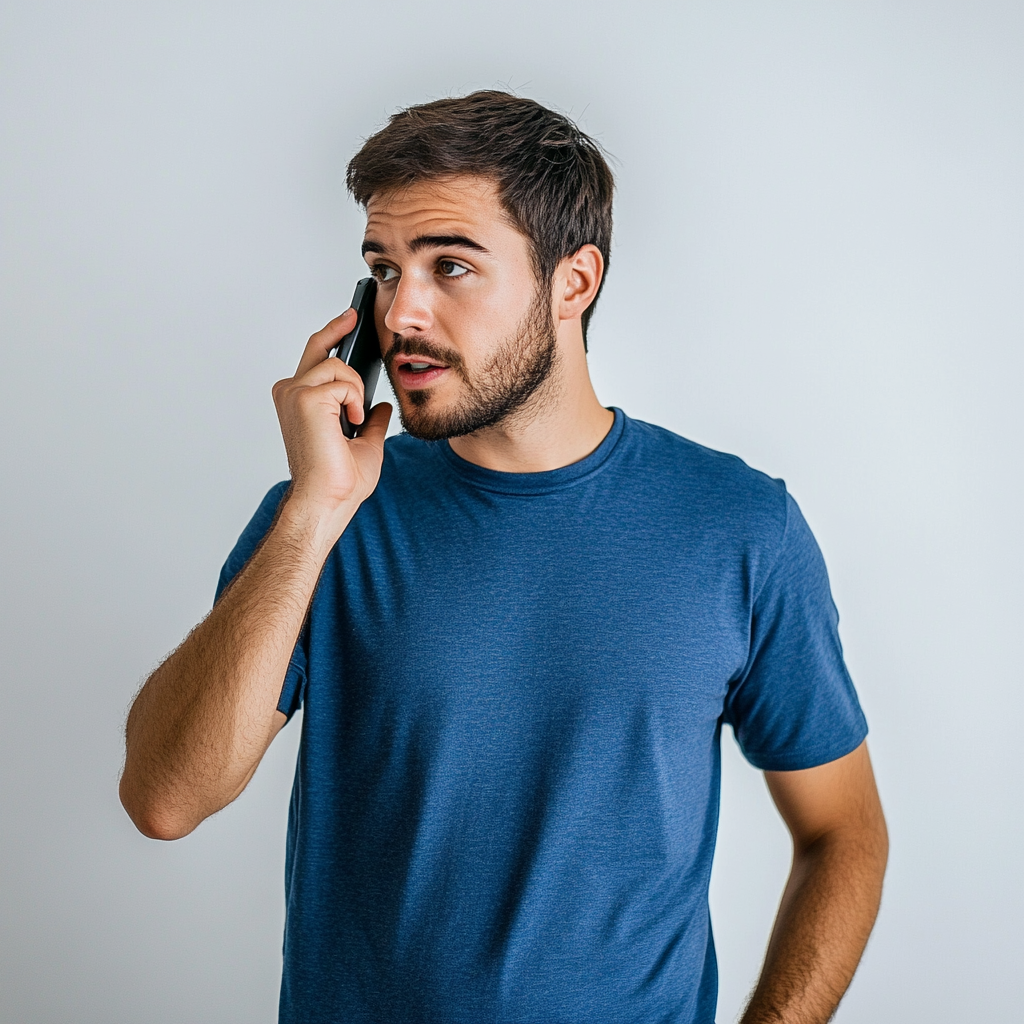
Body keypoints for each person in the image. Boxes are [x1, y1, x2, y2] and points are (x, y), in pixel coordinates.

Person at [120, 91, 888, 1024]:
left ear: (574, 282)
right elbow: (164, 798)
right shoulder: (322, 519)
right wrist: (314, 510)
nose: (402, 312)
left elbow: (842, 833)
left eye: (450, 265)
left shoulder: (740, 529)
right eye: (382, 269)